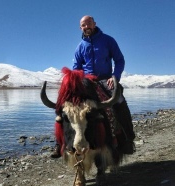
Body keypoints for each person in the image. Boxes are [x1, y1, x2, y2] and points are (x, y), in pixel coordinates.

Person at [51, 15, 135, 158]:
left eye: (89, 23)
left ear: (94, 24)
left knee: (119, 100)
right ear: (80, 28)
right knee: (63, 105)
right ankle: (59, 144)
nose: (87, 26)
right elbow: (76, 68)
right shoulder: (80, 47)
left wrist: (115, 77)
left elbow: (119, 60)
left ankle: (127, 138)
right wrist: (75, 82)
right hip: (87, 81)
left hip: (105, 79)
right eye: (84, 25)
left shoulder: (108, 40)